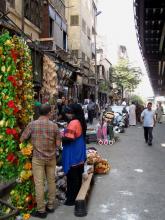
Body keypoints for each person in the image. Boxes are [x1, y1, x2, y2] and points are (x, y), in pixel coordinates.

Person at [20, 104, 61, 218]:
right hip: (51, 158)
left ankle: (41, 210)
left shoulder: (32, 125)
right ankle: (51, 206)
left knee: (39, 184)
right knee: (51, 181)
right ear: (49, 113)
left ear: (39, 113)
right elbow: (58, 144)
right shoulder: (54, 126)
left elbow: (22, 138)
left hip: (38, 158)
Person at [62, 104, 86, 206]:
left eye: (70, 112)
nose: (68, 114)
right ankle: (77, 196)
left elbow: (69, 138)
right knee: (78, 175)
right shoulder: (80, 120)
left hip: (73, 153)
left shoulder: (73, 122)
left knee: (72, 177)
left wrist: (59, 137)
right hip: (79, 151)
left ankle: (71, 200)